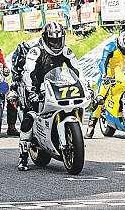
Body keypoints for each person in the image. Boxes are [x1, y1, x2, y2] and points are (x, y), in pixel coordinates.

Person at [17, 22, 83, 171]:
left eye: (58, 40)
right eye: (52, 40)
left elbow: (77, 70)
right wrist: (31, 90)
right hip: (36, 87)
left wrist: (85, 85)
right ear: (45, 39)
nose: (55, 43)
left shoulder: (66, 51)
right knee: (30, 115)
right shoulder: (36, 51)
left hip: (56, 85)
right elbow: (29, 72)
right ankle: (23, 156)